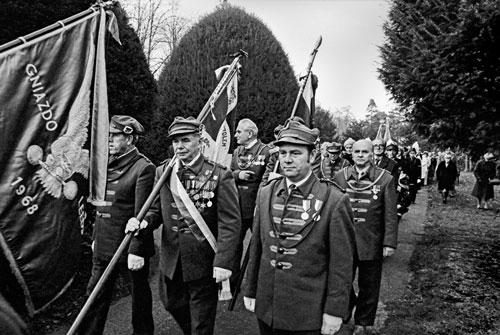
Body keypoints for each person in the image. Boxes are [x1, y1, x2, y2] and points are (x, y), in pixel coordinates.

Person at [126, 116, 241, 335]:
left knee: (202, 320)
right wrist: (143, 223)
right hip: (171, 258)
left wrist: (224, 262)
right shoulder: (163, 172)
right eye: (175, 141)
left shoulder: (219, 174)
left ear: (199, 141)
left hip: (203, 258)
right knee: (171, 304)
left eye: (186, 140)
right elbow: (156, 210)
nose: (179, 146)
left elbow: (230, 222)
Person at [243, 121, 356, 335]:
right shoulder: (266, 192)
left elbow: (342, 264)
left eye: (295, 153)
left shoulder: (334, 200)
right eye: (283, 152)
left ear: (312, 157)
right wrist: (250, 290)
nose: (287, 159)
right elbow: (257, 247)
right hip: (268, 306)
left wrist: (334, 311)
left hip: (307, 313)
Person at [79, 115, 155, 335]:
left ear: (130, 139)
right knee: (93, 298)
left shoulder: (143, 168)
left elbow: (143, 212)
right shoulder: (106, 164)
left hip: (128, 248)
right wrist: (95, 239)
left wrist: (137, 250)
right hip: (103, 246)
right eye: (108, 136)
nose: (109, 140)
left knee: (139, 301)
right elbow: (102, 207)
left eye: (115, 136)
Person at [333, 139, 398, 335]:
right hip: (344, 240)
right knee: (341, 281)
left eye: (365, 152)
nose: (360, 155)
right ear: (351, 154)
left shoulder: (385, 179)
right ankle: (347, 307)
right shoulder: (340, 177)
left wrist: (389, 242)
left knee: (369, 286)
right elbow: (333, 210)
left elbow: (390, 214)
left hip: (371, 241)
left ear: (372, 155)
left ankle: (362, 322)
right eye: (357, 152)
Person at [230, 118, 270, 292]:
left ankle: (255, 286)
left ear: (250, 133)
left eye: (239, 131)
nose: (236, 134)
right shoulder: (237, 151)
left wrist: (261, 205)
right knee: (233, 246)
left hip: (257, 207)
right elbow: (227, 174)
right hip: (237, 206)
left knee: (259, 248)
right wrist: (238, 174)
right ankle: (233, 284)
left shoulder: (266, 151)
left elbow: (268, 180)